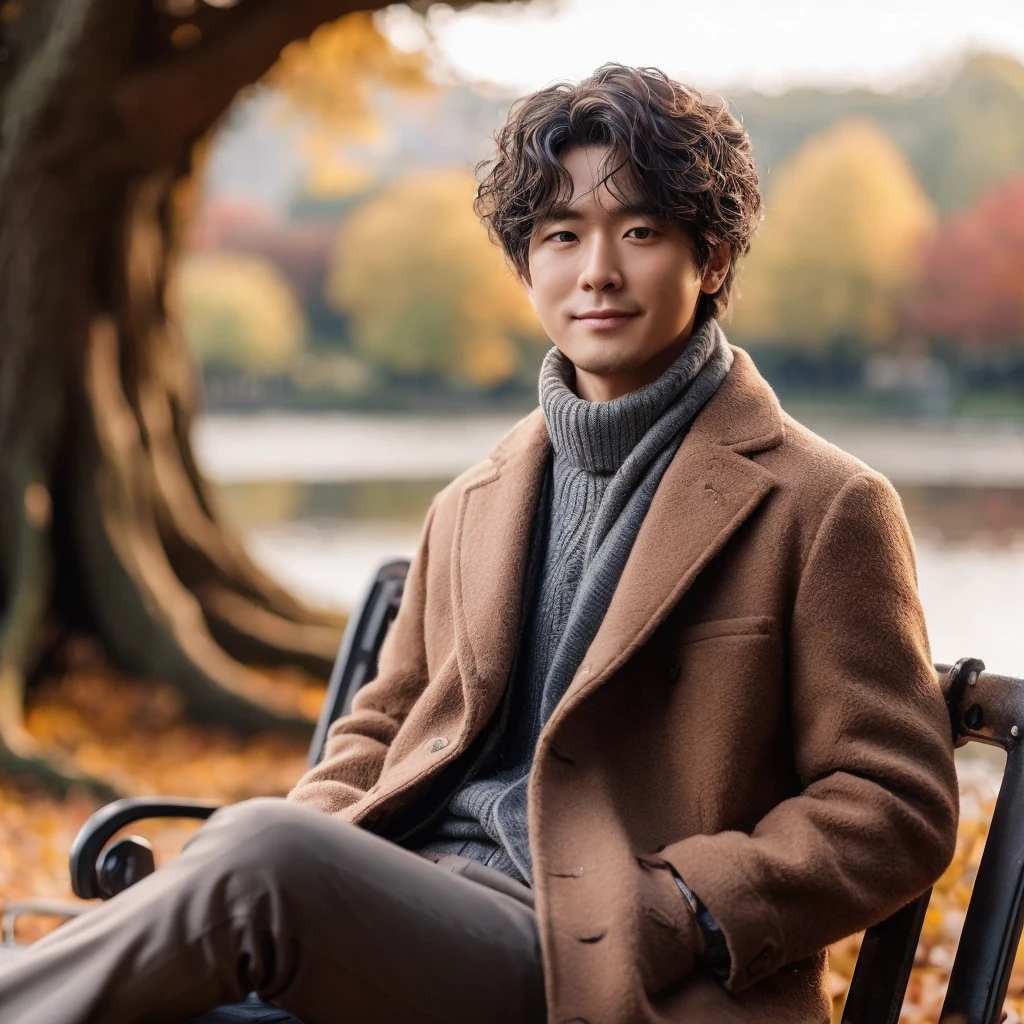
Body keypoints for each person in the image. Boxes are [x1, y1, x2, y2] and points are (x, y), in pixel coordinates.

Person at [0, 63, 958, 1024]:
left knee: (257, 860)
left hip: (627, 968)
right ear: (523, 267)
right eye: (560, 236)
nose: (597, 272)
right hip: (415, 909)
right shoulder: (476, 498)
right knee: (213, 944)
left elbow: (892, 800)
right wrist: (329, 844)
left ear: (709, 261)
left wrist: (685, 907)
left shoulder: (824, 503)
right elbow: (380, 725)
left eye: (639, 232)